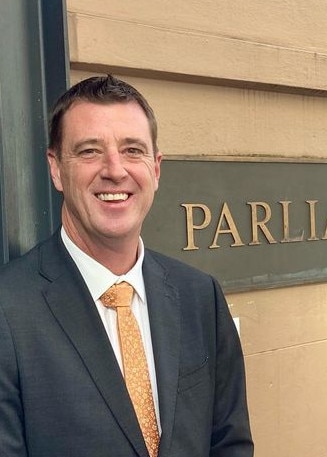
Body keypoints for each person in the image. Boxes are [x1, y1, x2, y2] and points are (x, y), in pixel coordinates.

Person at [0, 75, 254, 457]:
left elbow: (230, 444)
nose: (115, 170)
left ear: (155, 168)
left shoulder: (200, 296)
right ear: (56, 169)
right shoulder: (9, 310)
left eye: (132, 150)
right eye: (89, 151)